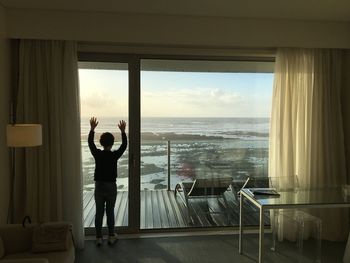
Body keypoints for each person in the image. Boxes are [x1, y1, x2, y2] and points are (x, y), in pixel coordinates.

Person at [88, 117, 127, 246]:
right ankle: (111, 236)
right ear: (112, 143)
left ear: (101, 143)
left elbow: (90, 143)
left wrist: (92, 129)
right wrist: (122, 131)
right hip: (111, 186)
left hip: (99, 186)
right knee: (110, 211)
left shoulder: (97, 154)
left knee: (99, 211)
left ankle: (99, 237)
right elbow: (124, 146)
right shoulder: (114, 155)